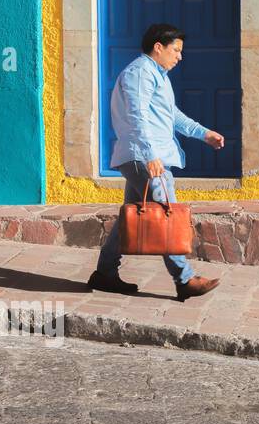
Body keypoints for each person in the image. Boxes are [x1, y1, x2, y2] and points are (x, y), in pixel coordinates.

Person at [88, 23, 225, 300]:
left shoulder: (158, 75)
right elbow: (137, 115)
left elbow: (171, 115)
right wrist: (150, 155)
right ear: (158, 47)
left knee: (131, 216)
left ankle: (104, 273)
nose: (180, 56)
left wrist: (204, 133)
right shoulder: (140, 73)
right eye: (176, 50)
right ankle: (184, 279)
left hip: (144, 156)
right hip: (145, 157)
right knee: (167, 213)